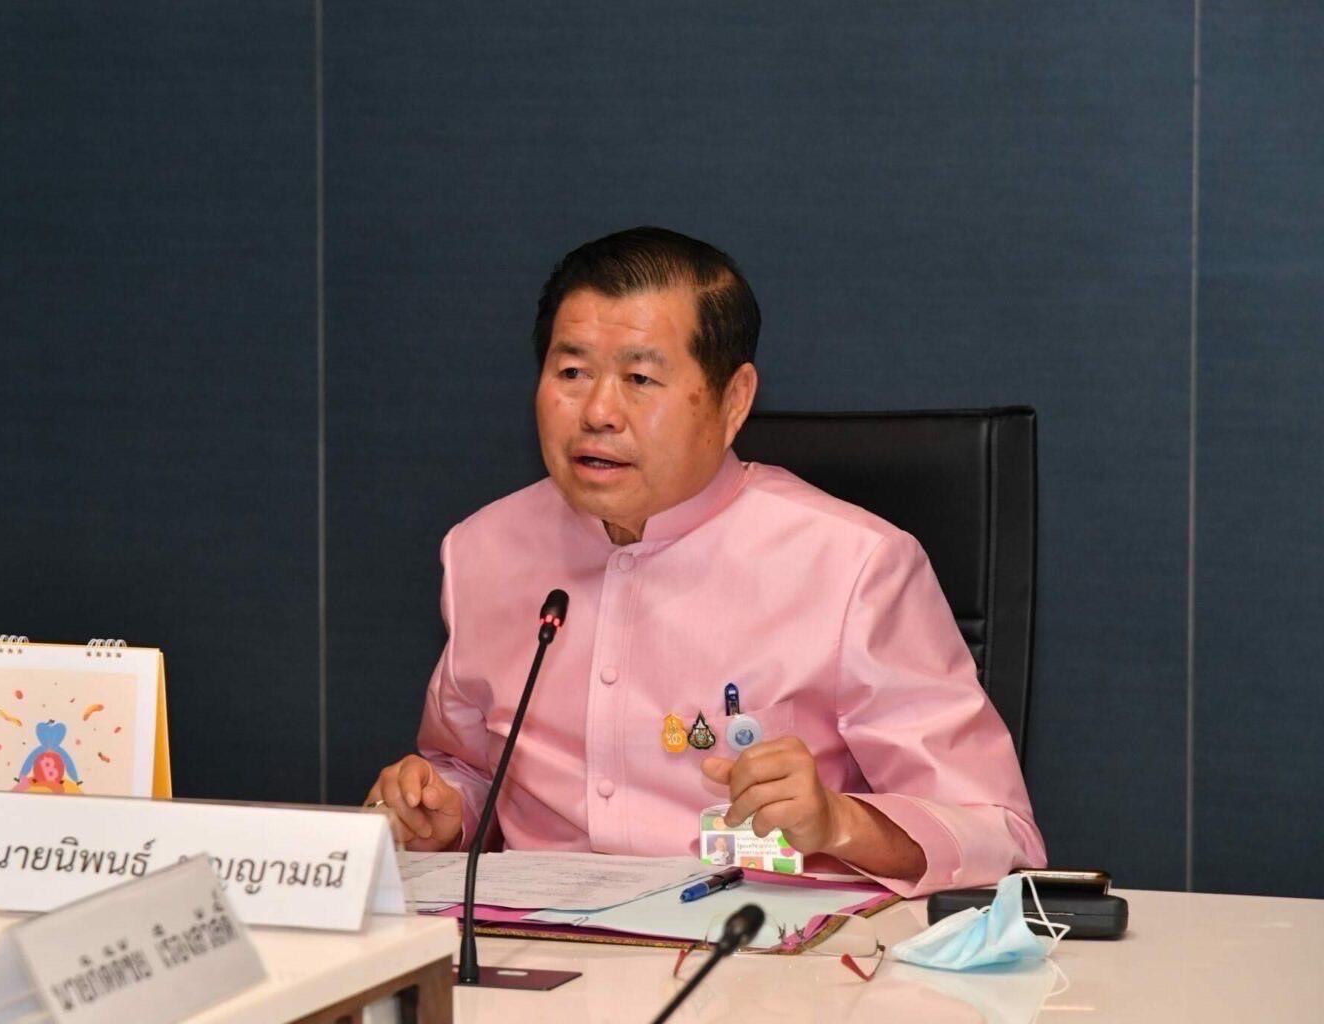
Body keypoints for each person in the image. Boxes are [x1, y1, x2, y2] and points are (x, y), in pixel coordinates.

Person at [366, 226, 1046, 896]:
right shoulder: (481, 550)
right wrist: (441, 809)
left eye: (640, 378)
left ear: (734, 399)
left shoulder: (854, 567)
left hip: (756, 945)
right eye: (572, 372)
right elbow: (469, 768)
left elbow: (998, 831)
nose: (598, 411)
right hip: (535, 942)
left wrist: (840, 822)